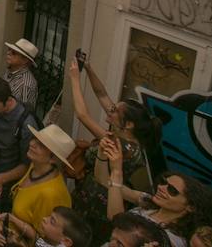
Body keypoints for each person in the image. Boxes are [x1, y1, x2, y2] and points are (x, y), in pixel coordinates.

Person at [68, 59, 163, 245]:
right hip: (93, 197)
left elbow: (82, 115)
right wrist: (88, 67)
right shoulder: (129, 136)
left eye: (114, 111)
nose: (109, 111)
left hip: (97, 208)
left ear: (128, 125)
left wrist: (74, 78)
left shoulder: (120, 145)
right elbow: (101, 93)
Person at [104, 136, 212, 247]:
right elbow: (105, 181)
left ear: (191, 207)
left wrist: (116, 171)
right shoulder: (148, 202)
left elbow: (116, 217)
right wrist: (103, 153)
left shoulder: (172, 238)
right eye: (163, 182)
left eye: (172, 190)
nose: (161, 188)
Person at [0, 77, 39, 204]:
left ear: (8, 100)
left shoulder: (26, 125)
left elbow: (26, 165)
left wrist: (0, 179)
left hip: (1, 185)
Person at [4, 38, 39, 111]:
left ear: (25, 60)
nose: (8, 53)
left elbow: (23, 113)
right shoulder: (10, 70)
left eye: (13, 52)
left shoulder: (25, 84)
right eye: (9, 49)